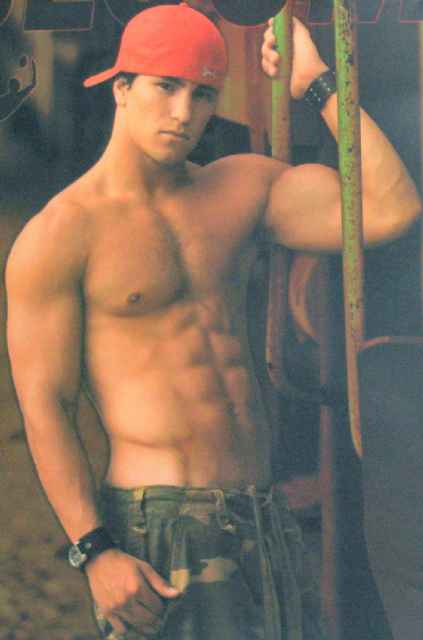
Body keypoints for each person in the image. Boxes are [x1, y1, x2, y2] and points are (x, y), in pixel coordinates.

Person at [5, 4, 421, 639]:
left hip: (263, 514)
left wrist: (315, 83)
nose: (183, 112)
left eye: (201, 94)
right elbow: (46, 408)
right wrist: (94, 551)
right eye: (164, 87)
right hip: (160, 525)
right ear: (121, 88)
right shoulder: (61, 234)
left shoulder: (241, 190)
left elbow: (390, 208)